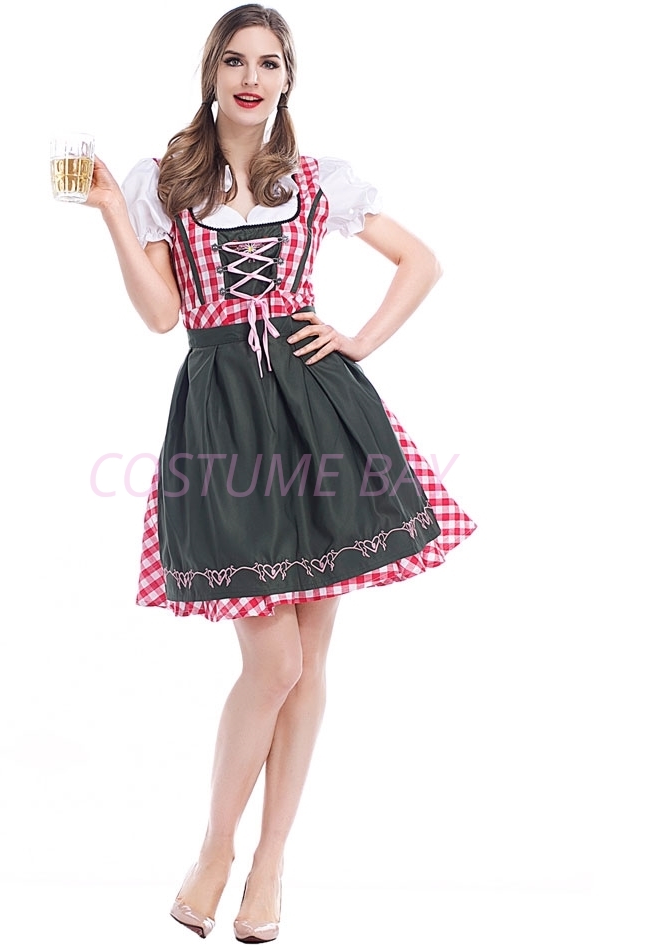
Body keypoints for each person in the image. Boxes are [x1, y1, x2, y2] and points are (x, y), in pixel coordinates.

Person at [82, 3, 475, 941]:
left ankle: (269, 867)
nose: (251, 77)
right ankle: (215, 850)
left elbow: (421, 262)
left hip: (318, 410)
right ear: (211, 72)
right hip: (222, 415)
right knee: (275, 659)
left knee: (310, 663)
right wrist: (110, 215)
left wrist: (358, 341)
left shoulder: (313, 179)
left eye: (268, 62)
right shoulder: (165, 181)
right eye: (235, 60)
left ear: (287, 77)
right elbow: (162, 316)